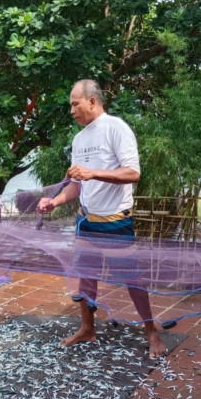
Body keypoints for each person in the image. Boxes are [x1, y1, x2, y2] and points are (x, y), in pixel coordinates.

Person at [36, 79, 164, 358]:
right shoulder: (79, 139)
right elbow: (76, 184)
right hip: (86, 221)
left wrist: (92, 172)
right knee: (86, 277)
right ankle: (87, 328)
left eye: (74, 104)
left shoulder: (116, 128)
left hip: (115, 221)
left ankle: (151, 332)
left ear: (92, 101)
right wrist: (54, 202)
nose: (71, 110)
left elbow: (132, 173)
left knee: (133, 280)